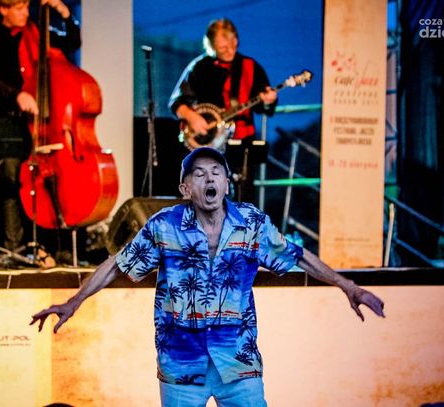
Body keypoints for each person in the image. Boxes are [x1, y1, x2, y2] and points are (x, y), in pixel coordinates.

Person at [31, 147, 386, 407]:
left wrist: (348, 287)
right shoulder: (165, 225)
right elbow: (118, 263)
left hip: (238, 361)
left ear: (227, 184)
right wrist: (74, 302)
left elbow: (297, 255)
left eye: (216, 172)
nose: (210, 178)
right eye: (199, 174)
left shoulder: (252, 224)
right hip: (181, 364)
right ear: (186, 189)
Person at [0, 0, 80, 258]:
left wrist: (64, 12)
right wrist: (17, 94)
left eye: (26, 7)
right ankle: (15, 248)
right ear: (3, 9)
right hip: (8, 121)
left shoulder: (37, 34)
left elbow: (72, 42)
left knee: (48, 183)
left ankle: (52, 246)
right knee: (13, 180)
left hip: (42, 123)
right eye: (19, 8)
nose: (25, 12)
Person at [168, 18, 277, 203]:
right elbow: (176, 103)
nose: (230, 51)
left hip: (242, 143)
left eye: (233, 45)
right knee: (208, 197)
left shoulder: (251, 67)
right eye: (223, 48)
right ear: (211, 46)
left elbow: (265, 108)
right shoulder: (199, 67)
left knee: (243, 199)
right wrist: (192, 117)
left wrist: (269, 101)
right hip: (208, 146)